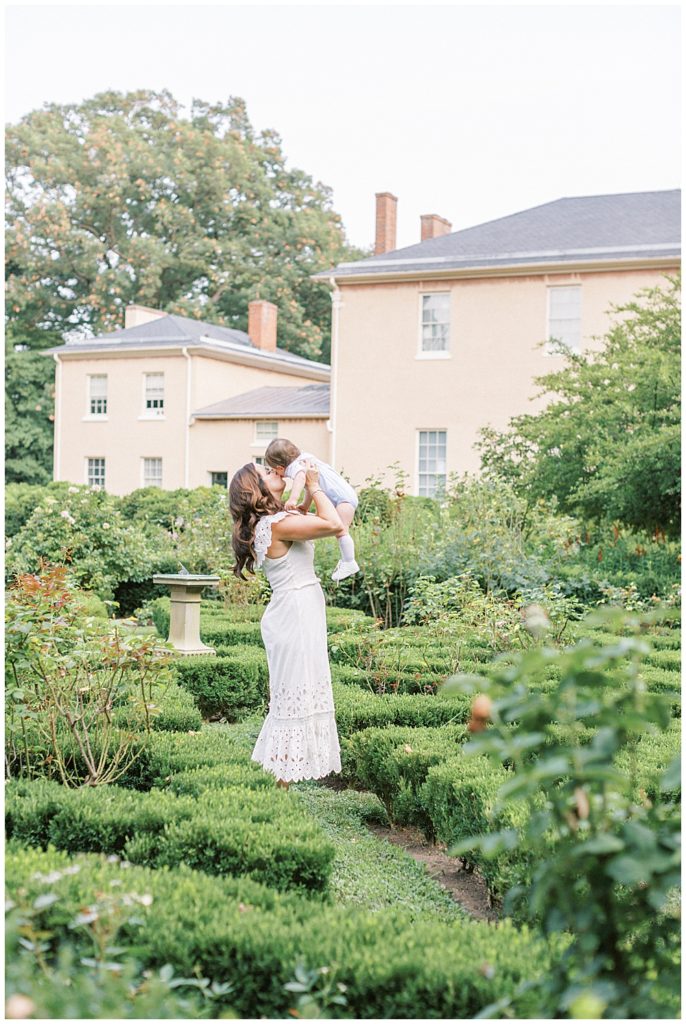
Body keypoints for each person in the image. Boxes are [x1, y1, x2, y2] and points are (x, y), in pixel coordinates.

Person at [229, 460, 343, 789]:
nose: (274, 471)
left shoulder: (275, 521)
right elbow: (333, 524)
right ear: (255, 489)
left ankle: (280, 786)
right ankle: (280, 787)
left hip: (297, 609)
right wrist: (314, 485)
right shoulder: (276, 525)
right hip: (295, 612)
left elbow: (306, 520)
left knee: (296, 696)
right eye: (265, 472)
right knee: (294, 696)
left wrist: (302, 497)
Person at [264, 438, 359, 582]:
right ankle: (348, 561)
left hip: (342, 499)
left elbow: (302, 479)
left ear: (280, 467)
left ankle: (349, 562)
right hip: (344, 495)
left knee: (341, 530)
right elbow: (310, 486)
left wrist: (293, 499)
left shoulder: (296, 467)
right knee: (340, 529)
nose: (276, 474)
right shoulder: (305, 459)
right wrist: (305, 505)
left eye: (274, 470)